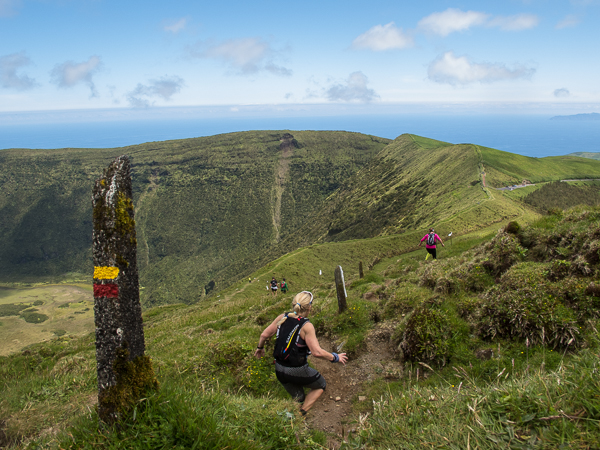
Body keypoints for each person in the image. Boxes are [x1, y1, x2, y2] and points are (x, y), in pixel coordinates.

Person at [254, 291, 348, 415]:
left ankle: (293, 416)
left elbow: (264, 335)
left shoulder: (283, 317)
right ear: (309, 307)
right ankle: (301, 414)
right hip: (296, 369)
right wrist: (335, 357)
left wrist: (260, 348)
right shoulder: (306, 326)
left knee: (299, 397)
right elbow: (317, 352)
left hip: (279, 369)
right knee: (321, 385)